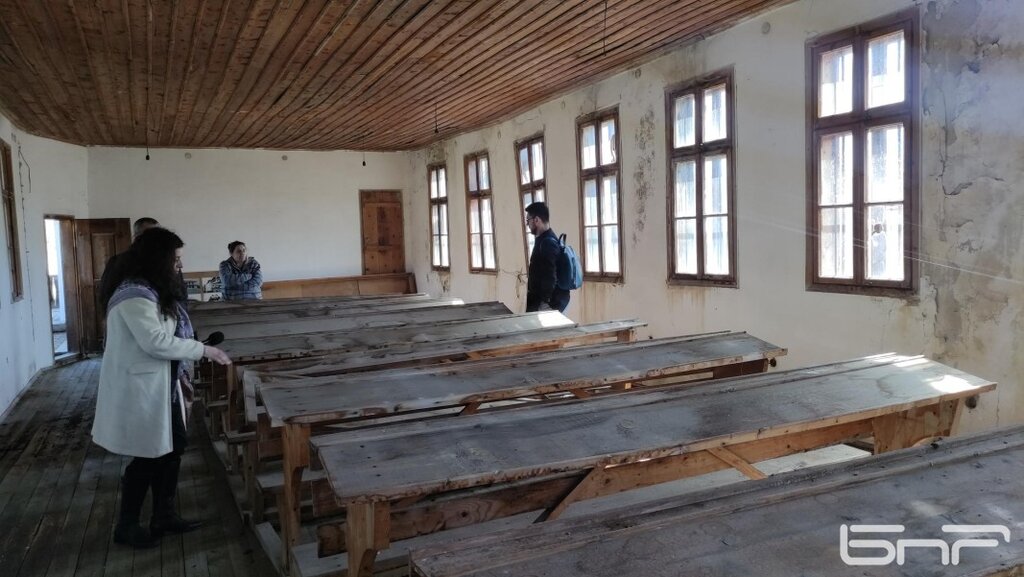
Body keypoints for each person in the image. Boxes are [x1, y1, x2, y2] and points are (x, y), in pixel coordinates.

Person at [92, 227, 232, 548]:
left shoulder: (152, 289)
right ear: (158, 258)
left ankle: (163, 515)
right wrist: (203, 350)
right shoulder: (134, 294)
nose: (179, 265)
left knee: (173, 448)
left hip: (163, 384)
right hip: (142, 386)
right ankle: (126, 525)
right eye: (175, 259)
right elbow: (154, 341)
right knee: (147, 456)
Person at [524, 202, 569, 313]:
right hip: (548, 302)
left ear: (536, 220)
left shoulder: (547, 243)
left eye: (528, 220)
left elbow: (550, 275)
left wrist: (544, 303)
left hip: (548, 304)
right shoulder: (545, 239)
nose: (527, 224)